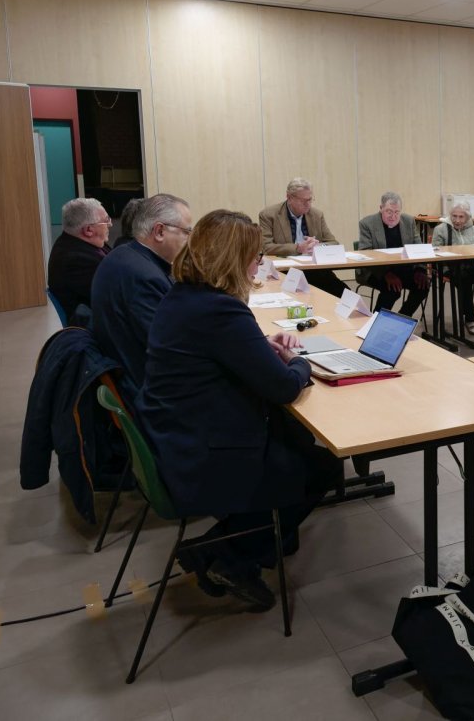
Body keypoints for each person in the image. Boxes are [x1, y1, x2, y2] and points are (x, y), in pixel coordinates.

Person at [137, 210, 342, 610]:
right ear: (233, 259)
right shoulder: (220, 310)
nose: (259, 265)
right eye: (253, 257)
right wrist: (299, 363)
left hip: (177, 430)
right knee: (320, 467)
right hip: (201, 449)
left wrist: (259, 348)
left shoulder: (185, 296)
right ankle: (231, 557)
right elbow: (282, 388)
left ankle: (225, 545)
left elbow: (218, 354)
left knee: (296, 440)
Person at [91, 194, 193, 401]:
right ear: (160, 231)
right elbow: (172, 350)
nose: (189, 240)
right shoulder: (143, 277)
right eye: (186, 232)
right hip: (153, 392)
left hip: (131, 372)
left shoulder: (125, 256)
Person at [258, 178, 346, 298]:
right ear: (289, 198)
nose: (308, 204)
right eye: (303, 201)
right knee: (302, 296)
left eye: (310, 199)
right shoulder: (269, 215)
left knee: (344, 293)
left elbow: (333, 242)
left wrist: (317, 246)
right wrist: (298, 248)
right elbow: (266, 247)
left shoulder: (316, 214)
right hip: (285, 270)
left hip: (314, 269)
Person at [357, 191, 428, 317]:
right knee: (392, 290)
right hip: (375, 270)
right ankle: (375, 322)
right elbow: (366, 254)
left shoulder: (409, 221)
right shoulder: (367, 223)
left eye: (397, 212)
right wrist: (386, 274)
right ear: (381, 208)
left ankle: (402, 318)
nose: (393, 216)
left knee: (423, 285)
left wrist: (420, 270)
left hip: (403, 268)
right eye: (389, 212)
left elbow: (418, 248)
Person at [47, 197, 113, 324]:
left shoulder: (76, 242)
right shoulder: (76, 260)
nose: (110, 224)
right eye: (106, 221)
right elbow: (113, 297)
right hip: (94, 324)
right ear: (88, 230)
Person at [432, 201, 474, 336]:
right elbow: (434, 252)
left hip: (471, 266)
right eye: (454, 216)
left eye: (461, 217)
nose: (457, 220)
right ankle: (470, 319)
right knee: (465, 277)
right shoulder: (440, 229)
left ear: (467, 217)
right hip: (449, 267)